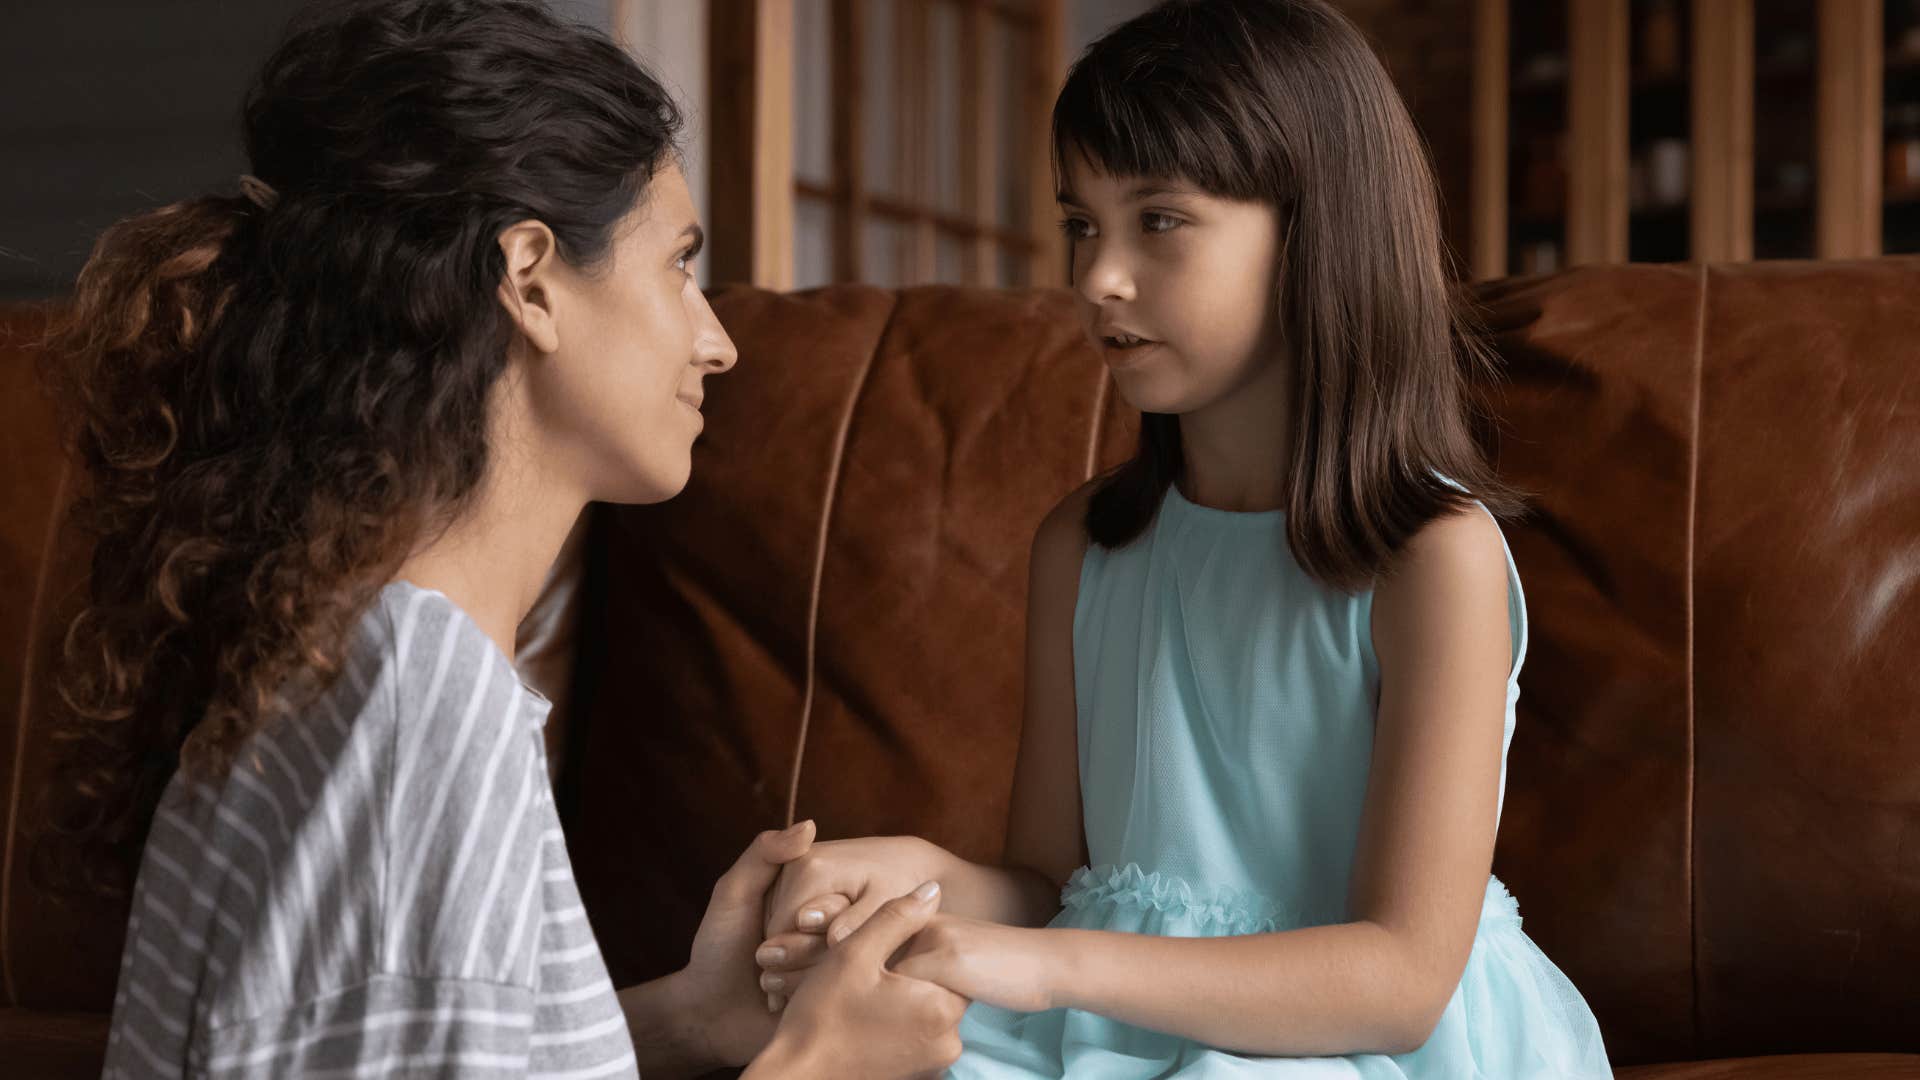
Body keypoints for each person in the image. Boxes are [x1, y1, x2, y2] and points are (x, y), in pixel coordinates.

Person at [40, 1, 964, 1076]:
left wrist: (686, 1025)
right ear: (529, 279)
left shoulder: (360, 657)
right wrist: (819, 1061)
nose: (717, 342)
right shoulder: (421, 711)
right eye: (677, 263)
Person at [750, 1, 1613, 1075]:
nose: (1097, 278)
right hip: (1118, 1017)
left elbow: (1396, 982)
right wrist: (918, 883)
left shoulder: (1434, 559)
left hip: (1352, 1046)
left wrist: (1049, 966)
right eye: (1082, 224)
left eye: (1157, 220)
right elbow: (1047, 881)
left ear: (1314, 233)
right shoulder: (1085, 547)